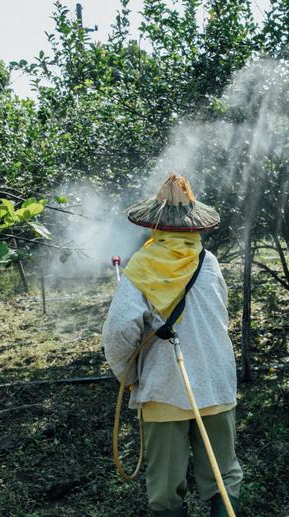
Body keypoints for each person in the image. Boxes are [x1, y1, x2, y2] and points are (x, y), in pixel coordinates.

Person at [102, 174, 242, 517]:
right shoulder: (209, 263)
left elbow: (118, 333)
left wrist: (130, 375)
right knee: (223, 480)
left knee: (165, 491)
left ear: (156, 225)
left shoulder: (142, 266)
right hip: (215, 381)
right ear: (193, 225)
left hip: (165, 388)